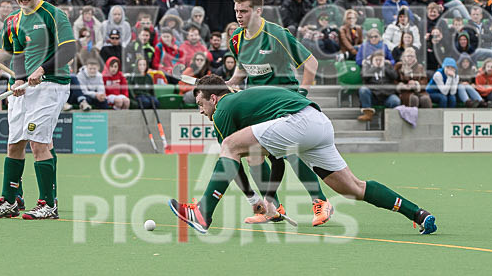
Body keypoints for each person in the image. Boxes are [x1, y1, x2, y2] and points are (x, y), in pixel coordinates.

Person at [169, 75, 437, 235]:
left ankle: (203, 213)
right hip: (318, 123)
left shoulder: (224, 107)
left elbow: (231, 156)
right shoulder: (245, 105)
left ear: (214, 98)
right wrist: (268, 199)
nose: (201, 111)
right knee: (353, 188)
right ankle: (418, 214)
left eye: (201, 104)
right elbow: (278, 159)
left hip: (296, 122)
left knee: (229, 146)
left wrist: (253, 199)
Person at [226, 0, 333, 226]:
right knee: (254, 154)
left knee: (291, 153)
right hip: (257, 105)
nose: (239, 15)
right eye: (236, 11)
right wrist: (230, 83)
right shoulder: (236, 38)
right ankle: (272, 207)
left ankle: (320, 202)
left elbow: (311, 62)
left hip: (284, 102)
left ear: (258, 11)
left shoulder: (276, 35)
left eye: (243, 11)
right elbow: (243, 69)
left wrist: (302, 93)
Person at [0, 0, 76, 220]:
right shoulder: (13, 20)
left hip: (51, 85)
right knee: (14, 143)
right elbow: (13, 53)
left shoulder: (54, 15)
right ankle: (10, 200)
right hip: (23, 88)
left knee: (38, 142)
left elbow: (68, 51)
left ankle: (48, 204)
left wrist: (41, 70)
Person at [357, 50, 400, 121]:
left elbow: (395, 76)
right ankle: (368, 113)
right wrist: (374, 68)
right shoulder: (367, 66)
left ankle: (389, 119)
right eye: (376, 60)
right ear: (372, 60)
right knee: (363, 90)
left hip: (387, 95)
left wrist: (384, 68)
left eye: (380, 60)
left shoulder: (388, 66)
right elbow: (363, 77)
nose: (378, 62)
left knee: (396, 101)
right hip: (373, 95)